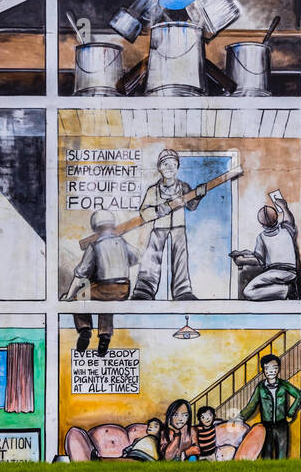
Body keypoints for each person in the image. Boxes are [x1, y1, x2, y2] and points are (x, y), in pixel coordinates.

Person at [66, 209, 140, 357]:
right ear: (112, 226)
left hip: (103, 288)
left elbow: (81, 273)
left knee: (79, 296)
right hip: (124, 289)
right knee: (107, 303)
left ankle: (85, 329)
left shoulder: (94, 246)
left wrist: (69, 296)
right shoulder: (123, 242)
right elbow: (137, 257)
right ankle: (105, 335)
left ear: (96, 228)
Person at [133, 149, 200, 300]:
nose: (169, 167)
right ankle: (144, 290)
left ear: (177, 167)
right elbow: (144, 212)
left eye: (173, 164)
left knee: (180, 258)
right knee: (152, 256)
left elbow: (191, 206)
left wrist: (198, 196)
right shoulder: (153, 190)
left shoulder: (183, 187)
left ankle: (183, 291)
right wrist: (158, 210)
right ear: (159, 167)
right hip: (159, 228)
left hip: (178, 227)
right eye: (165, 164)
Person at [233, 192, 299, 300]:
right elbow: (289, 219)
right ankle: (286, 289)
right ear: (277, 219)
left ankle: (287, 290)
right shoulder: (287, 229)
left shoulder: (261, 237)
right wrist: (284, 206)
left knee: (248, 292)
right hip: (291, 273)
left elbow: (259, 261)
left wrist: (242, 261)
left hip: (274, 272)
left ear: (262, 225)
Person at [238, 354, 301, 460]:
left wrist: (291, 412)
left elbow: (299, 395)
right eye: (267, 368)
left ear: (278, 369)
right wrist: (241, 417)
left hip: (282, 425)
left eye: (274, 368)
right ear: (263, 370)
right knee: (266, 454)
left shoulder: (284, 384)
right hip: (266, 427)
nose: (271, 371)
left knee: (282, 455)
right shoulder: (260, 387)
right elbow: (252, 404)